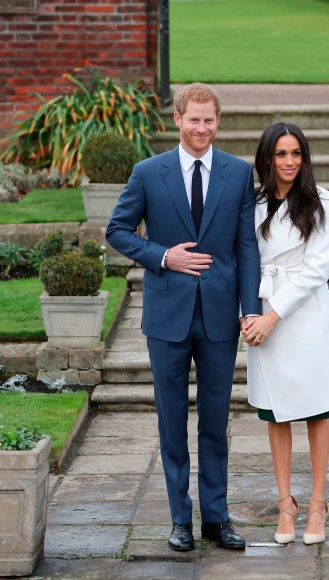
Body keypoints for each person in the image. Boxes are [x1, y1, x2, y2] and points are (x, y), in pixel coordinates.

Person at [106, 83, 261, 552]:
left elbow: (247, 247)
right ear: (177, 119)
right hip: (167, 314)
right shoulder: (149, 173)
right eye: (193, 120)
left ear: (218, 122)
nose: (201, 128)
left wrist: (250, 308)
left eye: (209, 120)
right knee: (171, 420)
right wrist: (161, 256)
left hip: (219, 316)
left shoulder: (238, 173)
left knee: (215, 420)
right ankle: (180, 520)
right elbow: (116, 230)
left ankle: (216, 517)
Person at [242, 123, 329, 545]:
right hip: (261, 311)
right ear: (267, 158)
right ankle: (286, 503)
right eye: (281, 154)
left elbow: (317, 270)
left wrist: (273, 316)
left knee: (316, 408)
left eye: (296, 154)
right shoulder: (251, 203)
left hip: (303, 316)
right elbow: (242, 259)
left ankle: (318, 504)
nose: (289, 162)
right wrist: (249, 316)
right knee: (275, 411)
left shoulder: (321, 201)